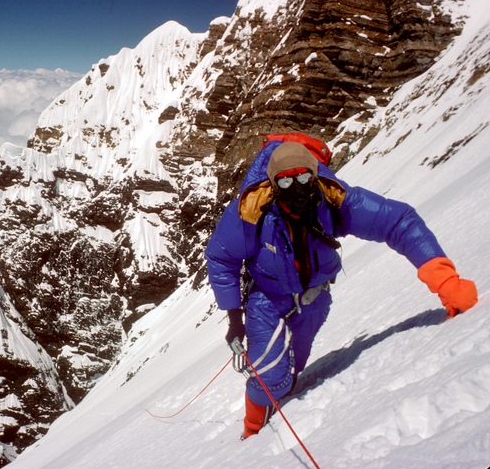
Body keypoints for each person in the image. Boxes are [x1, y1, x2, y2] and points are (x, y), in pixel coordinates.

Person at [204, 138, 478, 440]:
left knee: (292, 365)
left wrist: (446, 281)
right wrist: (234, 320)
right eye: (285, 181)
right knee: (269, 373)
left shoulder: (333, 200)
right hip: (266, 298)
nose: (296, 187)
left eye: (304, 177)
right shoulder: (250, 212)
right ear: (272, 184)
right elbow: (220, 257)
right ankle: (252, 432)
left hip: (313, 297)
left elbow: (398, 222)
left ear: (315, 175)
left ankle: (280, 403)